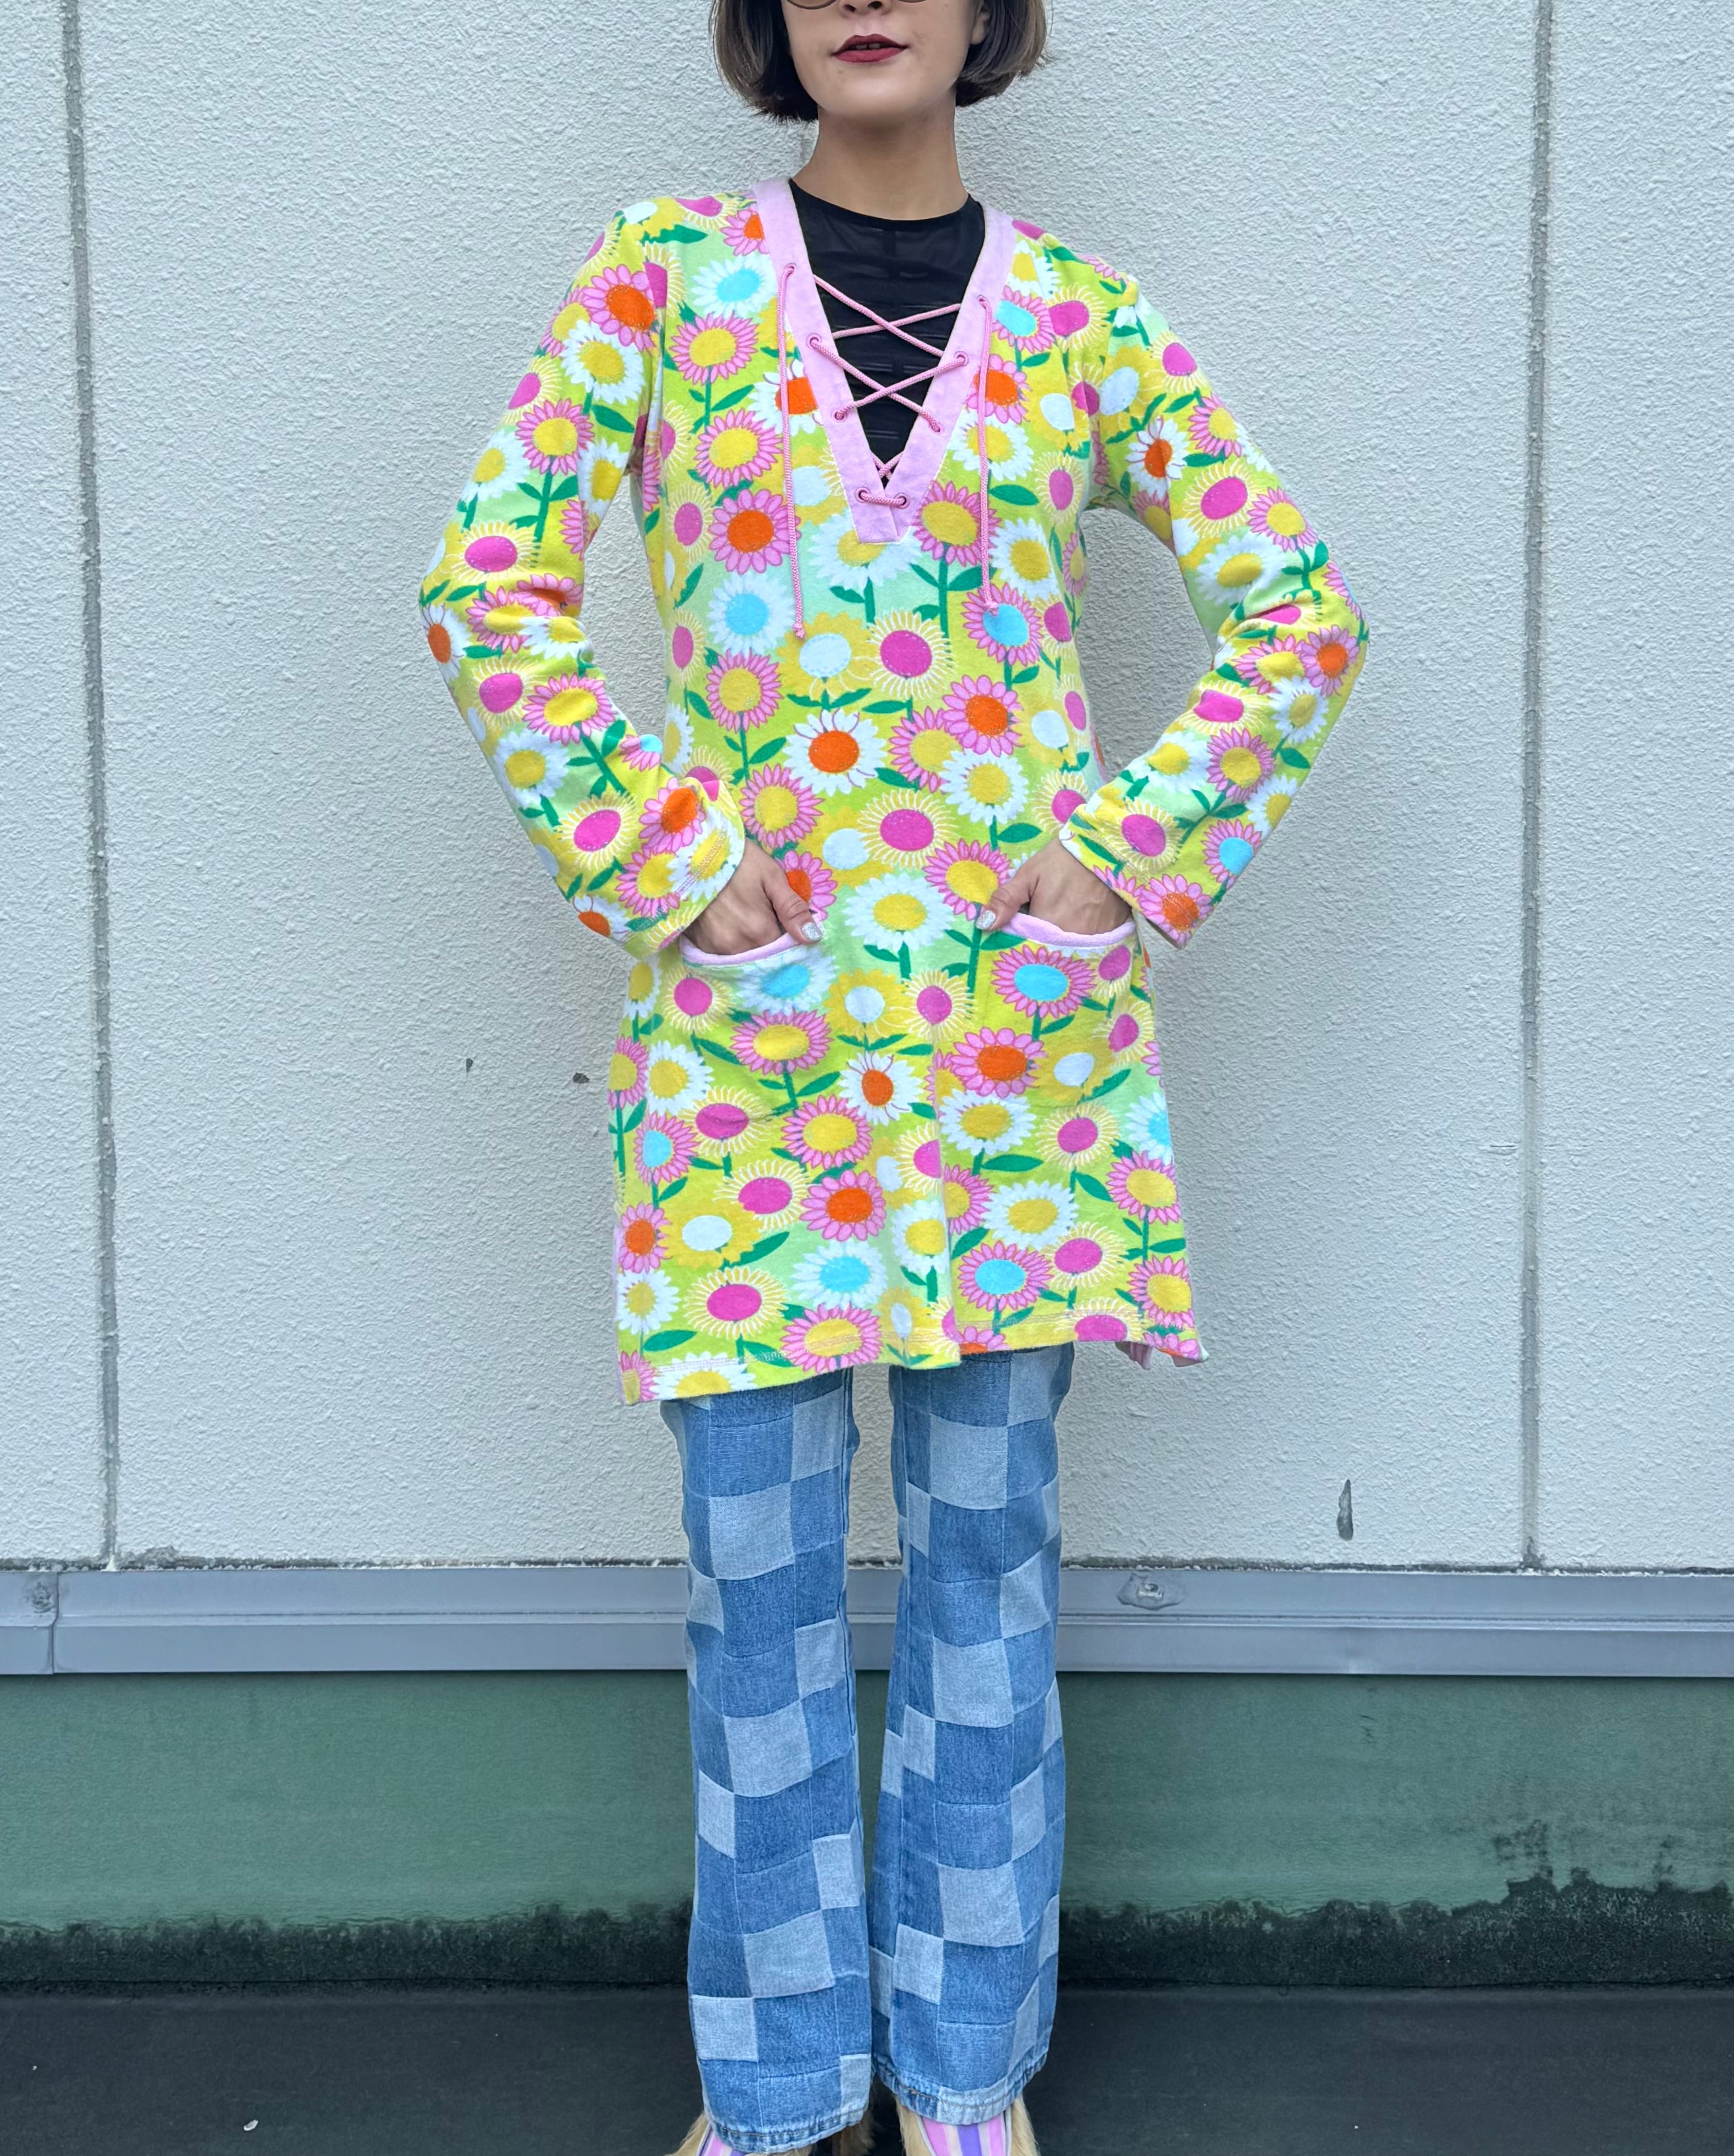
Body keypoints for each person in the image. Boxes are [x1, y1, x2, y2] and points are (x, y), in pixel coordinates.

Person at [418, 0, 1370, 2146]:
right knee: (750, 1583)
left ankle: (959, 2077)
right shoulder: (662, 285)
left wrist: (1119, 852)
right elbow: (489, 584)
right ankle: (770, 2090)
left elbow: (1298, 615)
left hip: (1008, 1063)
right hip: (750, 1065)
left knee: (986, 1566)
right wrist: (669, 857)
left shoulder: (1081, 319)